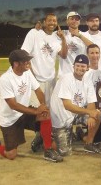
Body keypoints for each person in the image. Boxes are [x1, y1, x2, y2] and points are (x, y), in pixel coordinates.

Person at [0, 50, 63, 162]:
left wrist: (42, 107)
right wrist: (36, 112)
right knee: (11, 154)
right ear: (15, 64)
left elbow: (38, 91)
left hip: (24, 113)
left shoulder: (27, 73)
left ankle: (48, 150)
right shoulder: (5, 79)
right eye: (25, 61)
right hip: (10, 119)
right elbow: (13, 105)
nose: (28, 63)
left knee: (45, 115)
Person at [21, 13, 67, 152]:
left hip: (51, 80)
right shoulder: (34, 33)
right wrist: (31, 74)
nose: (52, 22)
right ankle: (39, 137)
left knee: (49, 111)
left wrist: (63, 39)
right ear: (44, 22)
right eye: (49, 20)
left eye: (54, 20)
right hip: (36, 80)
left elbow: (64, 55)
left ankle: (43, 137)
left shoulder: (56, 38)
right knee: (39, 111)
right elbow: (24, 53)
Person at [50, 54, 101, 155]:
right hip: (62, 118)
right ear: (73, 66)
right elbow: (67, 106)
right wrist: (89, 112)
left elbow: (91, 102)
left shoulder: (87, 81)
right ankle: (48, 135)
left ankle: (88, 143)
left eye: (83, 66)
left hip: (75, 114)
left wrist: (92, 115)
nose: (80, 68)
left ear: (87, 68)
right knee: (64, 152)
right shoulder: (66, 79)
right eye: (77, 65)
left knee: (98, 113)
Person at [57, 11, 93, 78]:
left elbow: (93, 48)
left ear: (79, 22)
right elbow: (63, 55)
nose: (74, 21)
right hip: (65, 75)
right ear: (67, 21)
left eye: (77, 19)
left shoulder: (85, 35)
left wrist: (79, 36)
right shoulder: (61, 34)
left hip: (81, 75)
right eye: (72, 19)